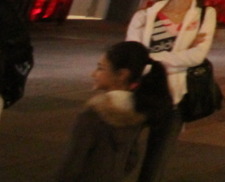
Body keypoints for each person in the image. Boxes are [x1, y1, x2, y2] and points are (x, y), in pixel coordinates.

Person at [126, 0, 217, 182]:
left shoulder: (205, 14)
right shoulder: (146, 15)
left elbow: (196, 56)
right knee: (123, 156)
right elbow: (132, 55)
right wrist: (178, 55)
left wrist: (150, 58)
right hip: (140, 92)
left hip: (174, 98)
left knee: (155, 167)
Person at [55, 40, 173, 182]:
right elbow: (131, 159)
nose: (94, 74)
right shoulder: (136, 113)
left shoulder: (92, 115)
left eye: (100, 68)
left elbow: (71, 163)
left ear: (122, 74)